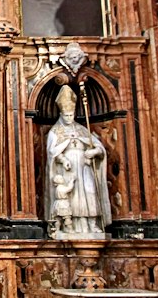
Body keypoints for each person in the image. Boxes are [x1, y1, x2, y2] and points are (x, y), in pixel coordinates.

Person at [45, 85, 111, 236]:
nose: (69, 118)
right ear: (61, 113)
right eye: (66, 115)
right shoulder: (55, 132)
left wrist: (93, 151)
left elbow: (99, 148)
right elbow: (52, 153)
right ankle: (74, 224)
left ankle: (92, 224)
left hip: (85, 168)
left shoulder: (82, 129)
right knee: (73, 197)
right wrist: (62, 159)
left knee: (90, 193)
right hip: (68, 170)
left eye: (71, 115)